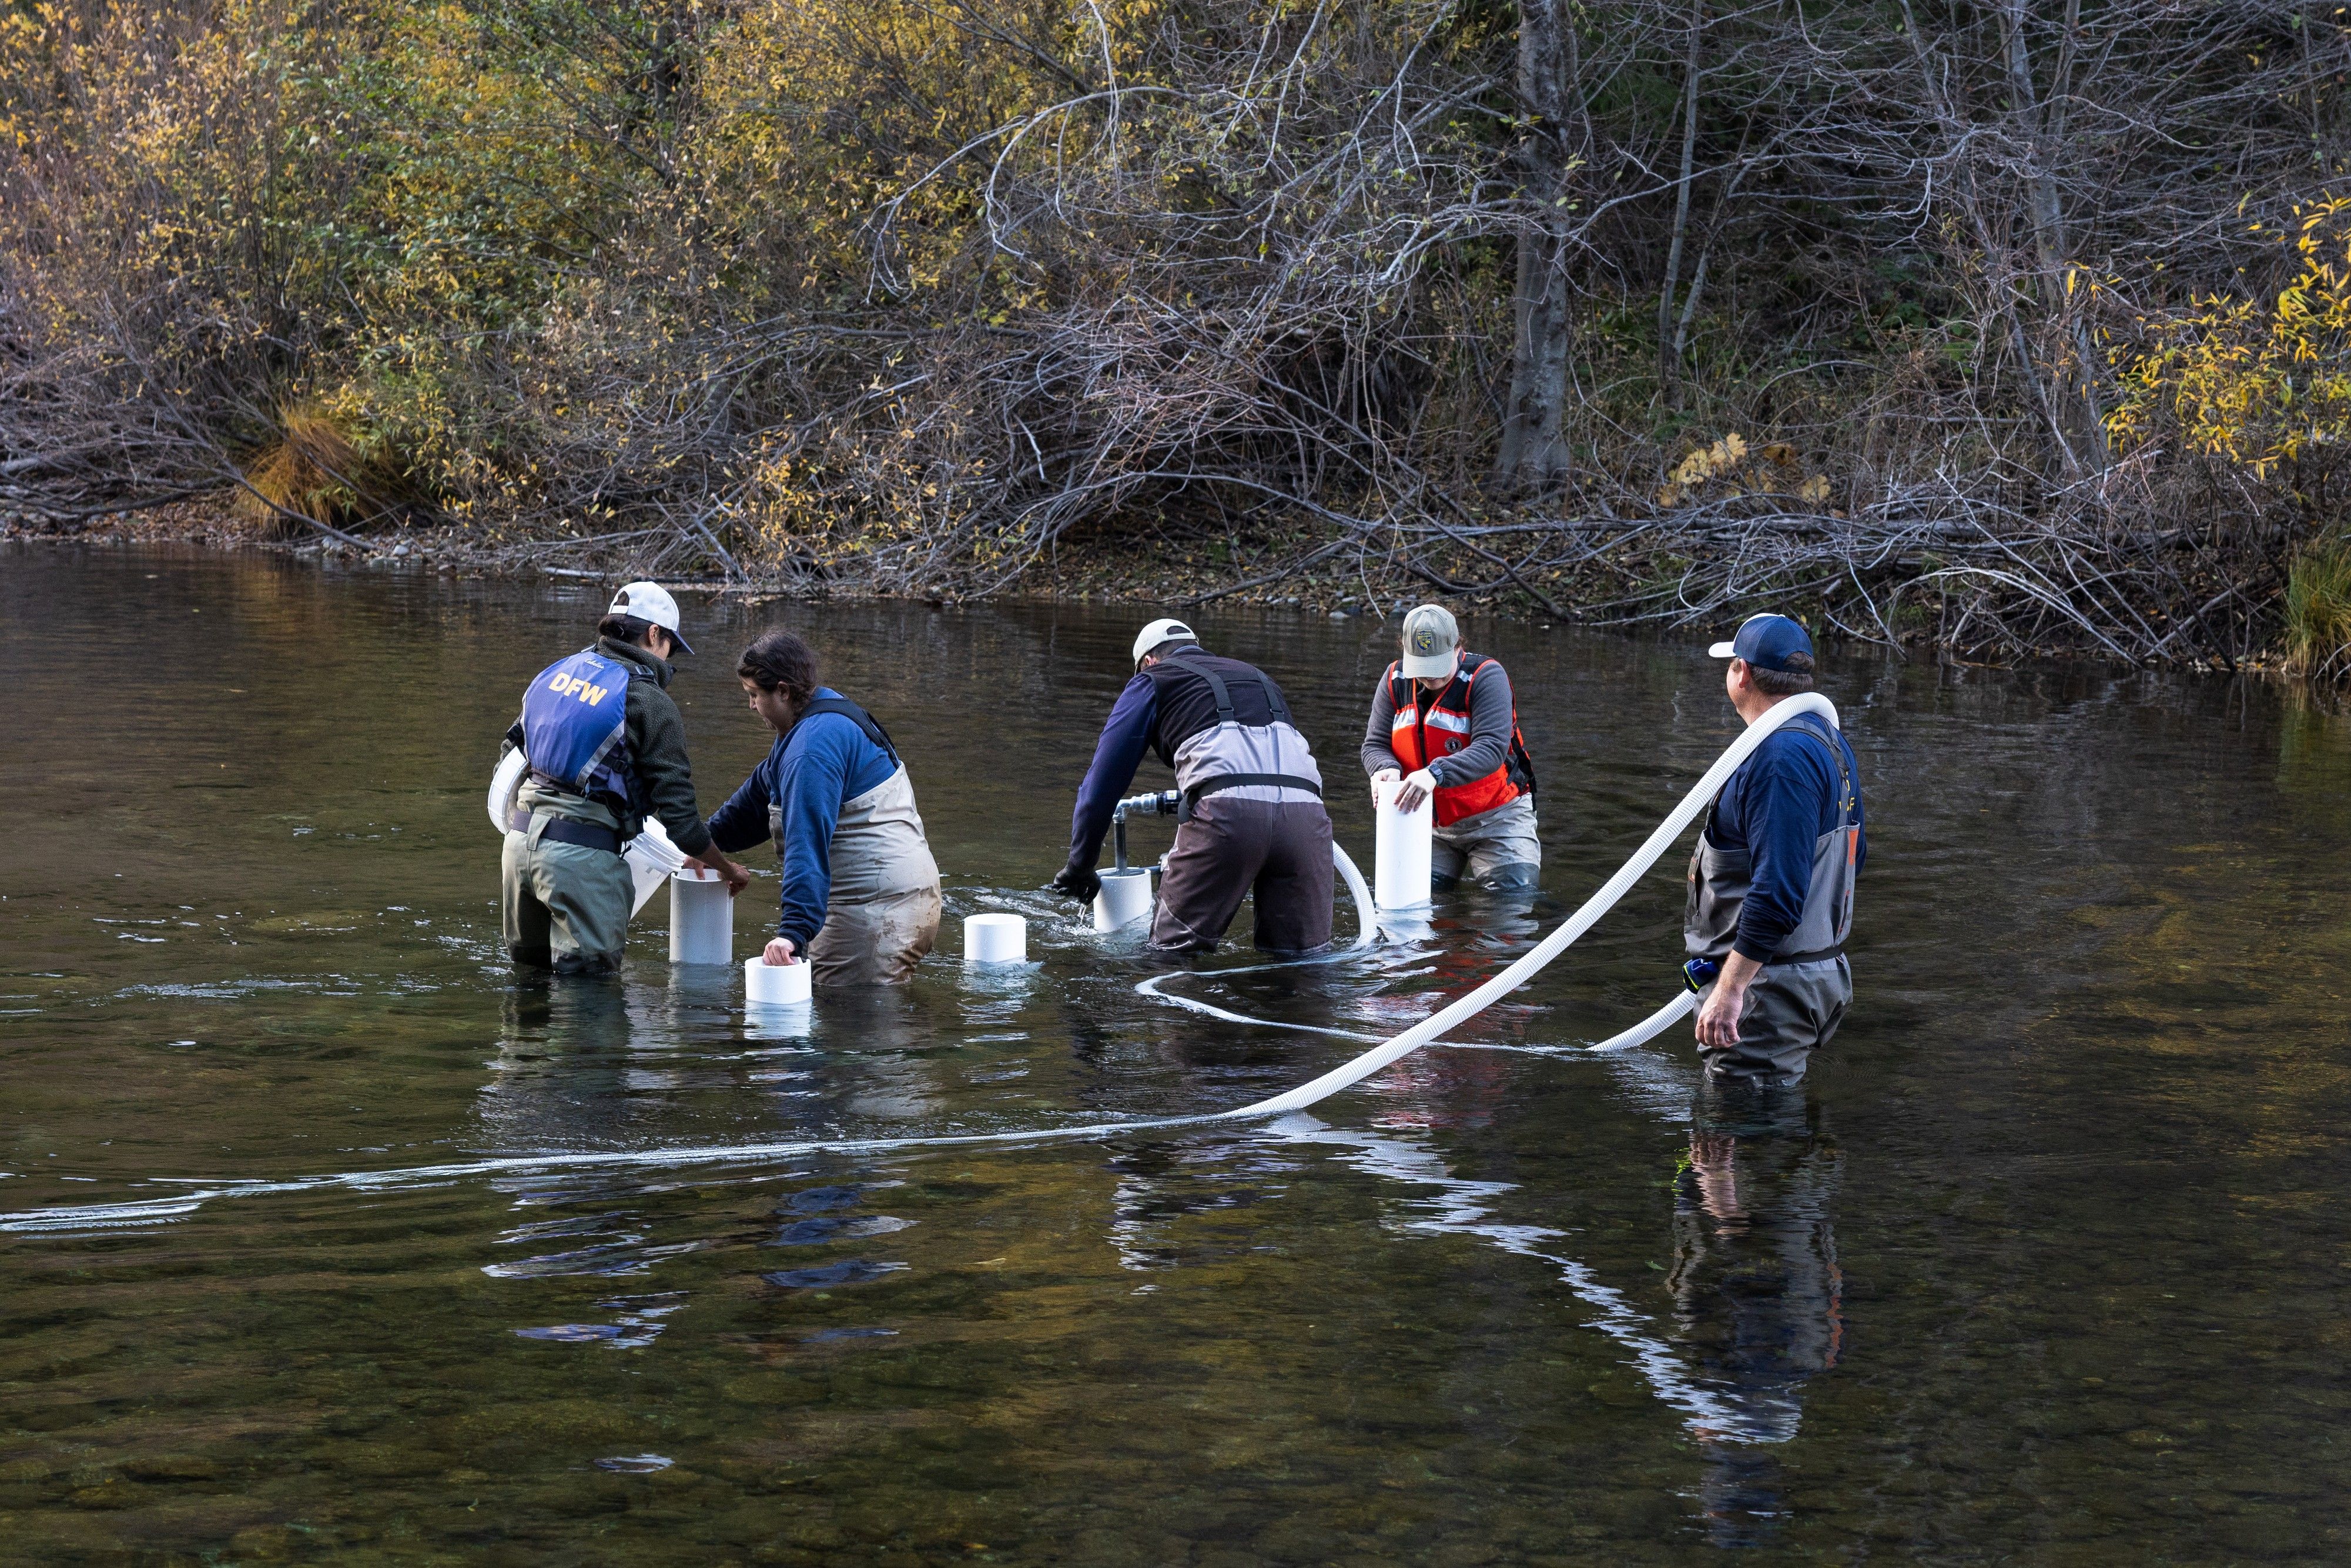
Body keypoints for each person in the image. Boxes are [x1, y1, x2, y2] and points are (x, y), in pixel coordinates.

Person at [501, 581, 748, 974]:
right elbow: (681, 820)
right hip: (582, 860)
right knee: (588, 1001)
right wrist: (726, 867)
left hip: (517, 848)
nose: (669, 660)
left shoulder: (553, 674)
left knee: (528, 990)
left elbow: (511, 759)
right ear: (654, 634)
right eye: (670, 646)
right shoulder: (649, 700)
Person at [1051, 618, 1332, 953]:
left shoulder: (1152, 680)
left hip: (1229, 819)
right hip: (1308, 822)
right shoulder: (1262, 680)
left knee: (1170, 959)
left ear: (1148, 662)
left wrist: (1080, 865)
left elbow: (1100, 787)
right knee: (1301, 966)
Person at [1684, 613, 1866, 1083]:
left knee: (1742, 1138)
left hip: (1768, 988)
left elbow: (1779, 892)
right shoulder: (1829, 743)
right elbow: (1854, 859)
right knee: (1767, 1144)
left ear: (1741, 673)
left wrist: (1731, 990)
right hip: (1808, 975)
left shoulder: (1779, 759)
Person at [707, 630, 942, 984]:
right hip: (905, 896)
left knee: (846, 1021)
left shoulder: (811, 751)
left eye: (755, 695)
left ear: (783, 691)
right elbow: (752, 806)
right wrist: (702, 843)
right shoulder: (817, 717)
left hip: (876, 911)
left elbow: (807, 844)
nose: (751, 706)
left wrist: (793, 932)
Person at [1362, 603, 1542, 892]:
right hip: (1425, 822)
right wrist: (1384, 768)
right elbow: (1375, 744)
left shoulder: (1487, 678)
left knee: (1510, 902)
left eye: (1438, 666)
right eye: (1422, 668)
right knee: (1416, 905)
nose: (1431, 677)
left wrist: (1434, 773)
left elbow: (1492, 750)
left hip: (1497, 817)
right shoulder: (1394, 679)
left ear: (1458, 647)